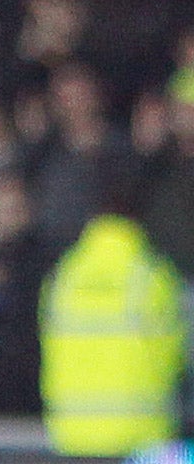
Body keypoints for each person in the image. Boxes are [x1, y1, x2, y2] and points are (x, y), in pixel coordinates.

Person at [40, 168, 185, 457]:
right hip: (141, 438)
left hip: (72, 436)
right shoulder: (152, 277)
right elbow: (180, 353)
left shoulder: (63, 275)